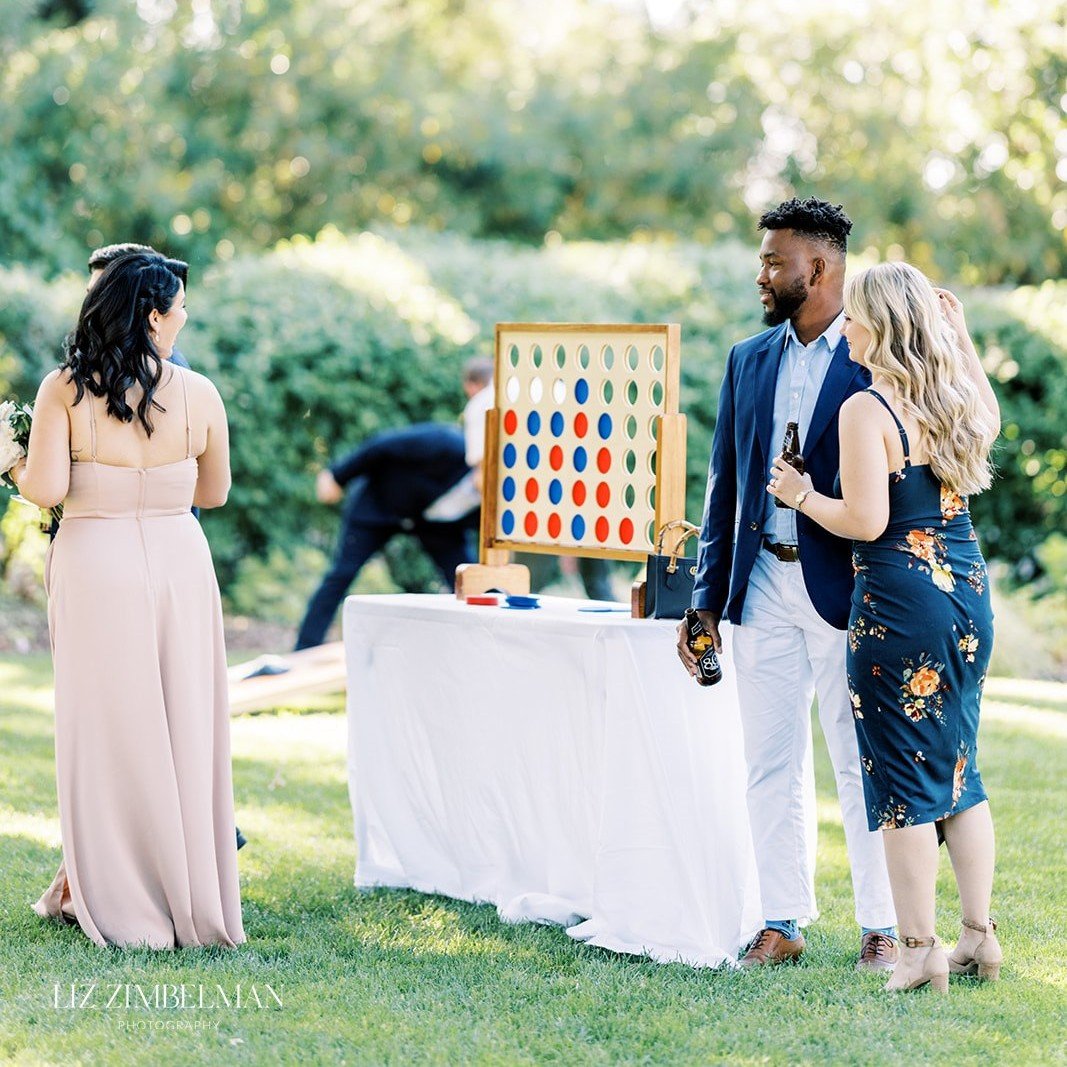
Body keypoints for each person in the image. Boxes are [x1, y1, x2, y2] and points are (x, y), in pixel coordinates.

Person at [768, 263, 1001, 992]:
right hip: (964, 594)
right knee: (959, 773)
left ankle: (917, 950)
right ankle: (977, 938)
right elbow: (988, 420)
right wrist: (958, 337)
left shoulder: (868, 410)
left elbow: (865, 520)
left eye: (854, 317)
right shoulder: (953, 394)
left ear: (877, 325)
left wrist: (802, 494)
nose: (845, 328)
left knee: (902, 785)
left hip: (900, 608)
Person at [678, 198, 897, 971]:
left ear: (820, 266)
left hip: (848, 586)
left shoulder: (876, 356)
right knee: (767, 758)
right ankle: (782, 919)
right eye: (763, 259)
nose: (761, 273)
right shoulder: (748, 358)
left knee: (856, 756)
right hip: (759, 583)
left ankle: (882, 923)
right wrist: (704, 598)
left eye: (775, 261)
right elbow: (722, 487)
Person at [11, 252, 244, 948]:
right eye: (178, 310)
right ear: (151, 314)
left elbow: (46, 489)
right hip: (177, 561)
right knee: (182, 722)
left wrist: (8, 456)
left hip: (95, 563)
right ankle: (184, 890)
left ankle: (112, 890)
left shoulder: (64, 389)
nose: (184, 319)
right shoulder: (200, 392)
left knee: (107, 728)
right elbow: (214, 493)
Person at [293, 424, 479, 650]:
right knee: (342, 573)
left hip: (436, 527)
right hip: (378, 505)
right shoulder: (447, 443)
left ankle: (480, 648)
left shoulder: (496, 500)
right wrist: (338, 476)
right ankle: (304, 649)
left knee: (471, 581)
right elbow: (383, 445)